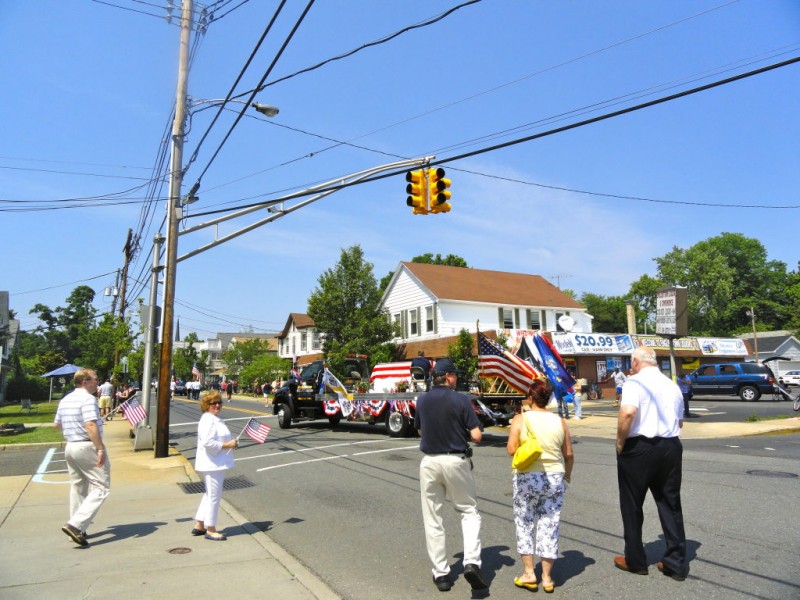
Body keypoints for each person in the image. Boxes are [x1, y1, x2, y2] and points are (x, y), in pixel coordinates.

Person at [614, 346, 688, 581]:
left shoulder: (634, 383)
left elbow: (628, 413)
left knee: (632, 505)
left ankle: (636, 561)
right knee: (670, 503)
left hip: (639, 448)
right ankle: (675, 563)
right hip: (670, 445)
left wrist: (620, 440)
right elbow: (680, 422)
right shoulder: (671, 385)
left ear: (635, 361)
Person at [414, 358, 488, 593]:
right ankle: (472, 562)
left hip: (429, 462)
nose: (456, 379)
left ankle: (441, 574)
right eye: (454, 375)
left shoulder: (422, 400)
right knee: (468, 511)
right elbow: (476, 436)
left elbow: (419, 429)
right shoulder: (460, 399)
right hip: (455, 459)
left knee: (433, 517)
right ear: (447, 377)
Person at [506, 378, 574, 593]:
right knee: (549, 524)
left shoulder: (521, 419)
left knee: (525, 521)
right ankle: (547, 578)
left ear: (530, 396)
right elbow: (569, 454)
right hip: (555, 476)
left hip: (527, 475)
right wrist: (567, 476)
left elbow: (511, 449)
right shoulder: (560, 421)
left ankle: (528, 573)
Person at [54, 369, 110, 547]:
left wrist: (73, 429)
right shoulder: (87, 399)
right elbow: (90, 424)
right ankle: (76, 525)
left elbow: (57, 425)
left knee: (78, 486)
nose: (97, 382)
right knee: (101, 487)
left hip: (71, 446)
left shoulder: (66, 399)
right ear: (85, 381)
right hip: (87, 446)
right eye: (95, 379)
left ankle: (77, 529)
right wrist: (99, 448)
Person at [192, 390, 239, 541]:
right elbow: (208, 443)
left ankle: (199, 524)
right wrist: (227, 445)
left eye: (219, 402)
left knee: (209, 494)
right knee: (214, 496)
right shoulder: (207, 420)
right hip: (212, 464)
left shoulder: (215, 419)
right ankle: (211, 529)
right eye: (214, 403)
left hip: (216, 463)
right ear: (207, 405)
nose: (217, 405)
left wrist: (232, 443)